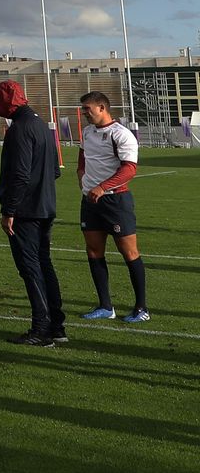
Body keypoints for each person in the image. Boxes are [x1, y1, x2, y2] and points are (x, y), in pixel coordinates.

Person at [0, 80, 67, 346]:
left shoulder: (20, 129)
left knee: (30, 268)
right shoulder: (43, 125)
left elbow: (21, 174)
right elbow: (56, 170)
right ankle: (56, 325)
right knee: (44, 265)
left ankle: (41, 328)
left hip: (26, 210)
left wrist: (9, 209)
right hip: (45, 205)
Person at [76, 91, 150, 323]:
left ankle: (141, 308)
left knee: (129, 253)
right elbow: (82, 161)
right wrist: (83, 181)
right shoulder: (87, 133)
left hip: (116, 201)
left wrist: (102, 187)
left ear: (101, 108)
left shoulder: (121, 134)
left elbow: (129, 169)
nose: (84, 113)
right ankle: (105, 306)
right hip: (90, 201)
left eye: (87, 109)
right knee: (94, 251)